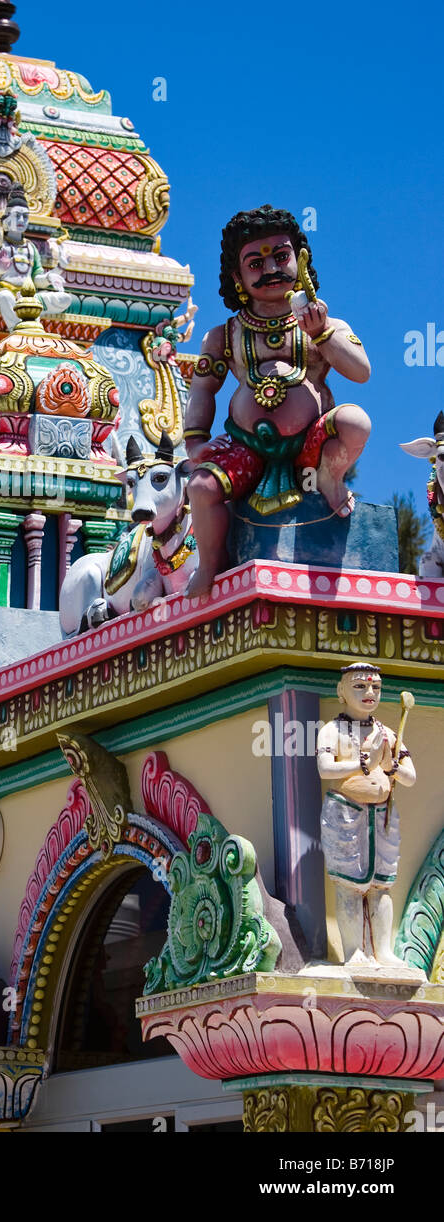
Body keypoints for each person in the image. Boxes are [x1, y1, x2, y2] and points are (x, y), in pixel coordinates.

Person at [183, 205, 370, 597]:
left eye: (281, 257)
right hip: (246, 447)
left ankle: (330, 481)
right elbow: (203, 390)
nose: (271, 268)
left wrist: (321, 335)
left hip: (310, 445)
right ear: (237, 276)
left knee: (356, 422)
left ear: (300, 263)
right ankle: (210, 564)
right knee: (200, 488)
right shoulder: (224, 335)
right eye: (256, 262)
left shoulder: (325, 323)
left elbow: (361, 371)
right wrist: (196, 443)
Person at [316, 663, 416, 967]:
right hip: (346, 813)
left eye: (375, 687)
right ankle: (354, 952)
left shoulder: (386, 732)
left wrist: (390, 766)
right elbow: (325, 769)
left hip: (382, 815)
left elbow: (410, 777)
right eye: (360, 686)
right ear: (341, 692)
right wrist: (362, 765)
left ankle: (382, 952)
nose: (369, 693)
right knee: (349, 884)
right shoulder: (332, 730)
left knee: (380, 884)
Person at [0, 184, 71, 330]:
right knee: (6, 297)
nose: (21, 220)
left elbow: (37, 280)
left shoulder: (31, 248)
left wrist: (57, 270)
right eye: (17, 215)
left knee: (65, 299)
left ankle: (30, 324)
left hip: (28, 296)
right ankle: (20, 332)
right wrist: (0, 269)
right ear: (7, 220)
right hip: (5, 292)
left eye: (25, 216)